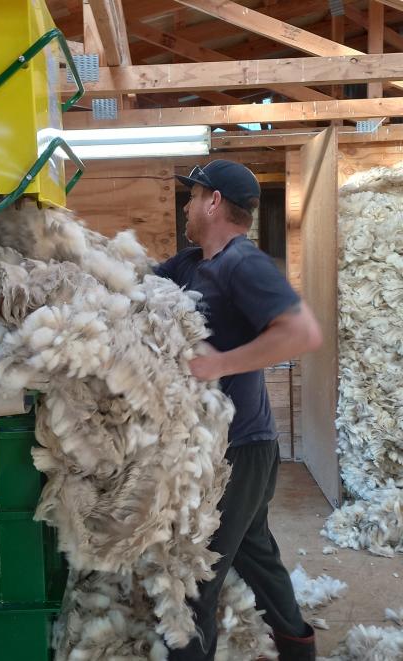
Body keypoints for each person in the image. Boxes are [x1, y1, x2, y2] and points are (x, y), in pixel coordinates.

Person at [154, 160, 322, 661]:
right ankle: (298, 646)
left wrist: (219, 364)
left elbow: (302, 333)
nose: (186, 204)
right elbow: (135, 290)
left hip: (238, 449)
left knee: (196, 575)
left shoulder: (243, 264)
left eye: (193, 194)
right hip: (222, 446)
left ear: (213, 202)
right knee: (254, 550)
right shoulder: (189, 264)